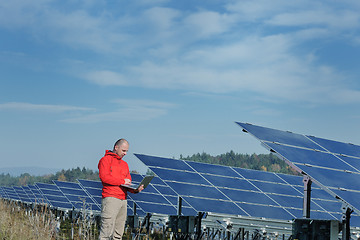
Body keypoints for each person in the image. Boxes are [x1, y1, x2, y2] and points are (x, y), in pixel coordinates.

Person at [98, 138, 144, 240]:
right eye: (123, 150)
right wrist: (122, 181)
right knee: (106, 231)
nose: (125, 153)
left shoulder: (125, 165)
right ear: (116, 147)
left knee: (118, 233)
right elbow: (104, 177)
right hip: (110, 198)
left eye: (127, 151)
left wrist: (135, 189)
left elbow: (128, 183)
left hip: (123, 200)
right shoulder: (105, 160)